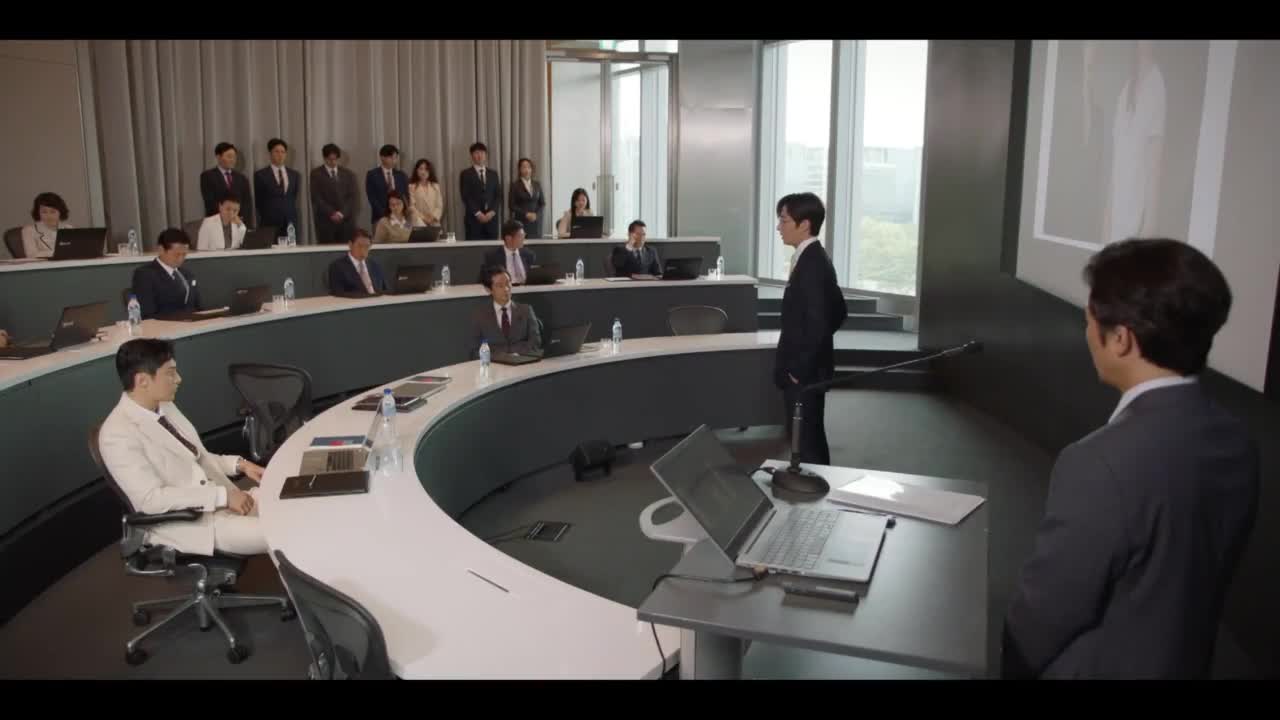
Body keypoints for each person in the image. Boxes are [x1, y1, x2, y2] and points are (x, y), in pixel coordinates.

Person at [1003, 238, 1258, 680]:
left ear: (1121, 339)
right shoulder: (1237, 441)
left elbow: (1047, 613)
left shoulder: (1098, 462)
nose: (1087, 335)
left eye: (1089, 321)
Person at [98, 338, 267, 556]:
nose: (178, 379)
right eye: (170, 373)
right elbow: (151, 500)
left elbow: (196, 456)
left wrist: (241, 465)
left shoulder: (164, 406)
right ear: (142, 381)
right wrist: (222, 497)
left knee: (292, 503)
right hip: (197, 524)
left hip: (224, 501)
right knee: (283, 532)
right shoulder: (117, 433)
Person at [772, 192, 848, 466]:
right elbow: (838, 312)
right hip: (807, 368)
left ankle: (818, 489)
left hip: (804, 373)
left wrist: (799, 369)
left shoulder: (813, 264)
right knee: (806, 437)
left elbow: (820, 321)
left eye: (784, 220)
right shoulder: (811, 257)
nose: (779, 227)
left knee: (808, 442)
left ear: (804, 224)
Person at [1103, 41, 1166, 244]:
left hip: (1137, 222)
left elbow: (1155, 163)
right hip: (1117, 220)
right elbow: (1117, 163)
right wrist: (1107, 220)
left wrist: (1149, 225)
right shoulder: (1125, 90)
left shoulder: (1157, 86)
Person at [471, 266, 542, 358]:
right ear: (489, 289)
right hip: (494, 364)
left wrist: (515, 355)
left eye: (508, 283)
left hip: (522, 361)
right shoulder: (480, 316)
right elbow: (475, 350)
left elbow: (535, 343)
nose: (506, 289)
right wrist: (502, 357)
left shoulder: (526, 310)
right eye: (500, 286)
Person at [131, 228, 201, 319]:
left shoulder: (187, 274)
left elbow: (198, 307)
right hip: (164, 325)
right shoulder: (145, 274)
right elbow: (148, 314)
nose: (181, 259)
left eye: (184, 255)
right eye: (176, 255)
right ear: (161, 250)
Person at [310, 143, 359, 245]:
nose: (333, 162)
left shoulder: (348, 174)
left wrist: (341, 214)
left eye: (335, 159)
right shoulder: (316, 174)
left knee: (346, 249)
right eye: (330, 159)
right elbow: (316, 198)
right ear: (324, 158)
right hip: (325, 221)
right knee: (327, 250)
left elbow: (352, 197)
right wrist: (332, 213)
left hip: (346, 221)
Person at [253, 138, 301, 237]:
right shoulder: (260, 175)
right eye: (277, 152)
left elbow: (293, 196)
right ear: (270, 153)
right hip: (269, 222)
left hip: (290, 221)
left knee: (291, 246)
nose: (280, 155)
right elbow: (258, 200)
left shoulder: (294, 175)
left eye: (283, 152)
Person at [200, 142, 254, 223]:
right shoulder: (207, 176)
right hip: (216, 222)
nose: (232, 160)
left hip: (238, 222)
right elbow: (209, 202)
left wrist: (241, 220)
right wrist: (229, 216)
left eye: (234, 157)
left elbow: (247, 204)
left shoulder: (242, 178)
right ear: (218, 157)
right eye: (229, 156)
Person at [327, 229, 387, 297]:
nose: (363, 250)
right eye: (360, 246)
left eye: (367, 246)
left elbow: (384, 290)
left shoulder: (375, 265)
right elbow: (338, 293)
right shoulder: (337, 267)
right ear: (350, 245)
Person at [459, 142, 500, 240]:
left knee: (492, 248)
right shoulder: (465, 174)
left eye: (482, 152)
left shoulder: (493, 174)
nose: (479, 155)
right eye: (476, 153)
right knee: (474, 248)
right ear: (471, 156)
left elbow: (498, 195)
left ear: (486, 155)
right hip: (473, 220)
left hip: (491, 221)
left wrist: (492, 212)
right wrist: (478, 213)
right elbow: (465, 196)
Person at [20, 192, 74, 259]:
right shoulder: (29, 230)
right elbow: (31, 255)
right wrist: (57, 252)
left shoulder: (69, 229)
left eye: (53, 211)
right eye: (44, 212)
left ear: (60, 212)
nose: (49, 216)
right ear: (38, 213)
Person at [366, 144, 409, 227]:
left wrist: (401, 214)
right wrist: (386, 215)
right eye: (392, 158)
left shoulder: (401, 175)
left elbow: (406, 196)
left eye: (396, 158)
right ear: (382, 157)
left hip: (401, 218)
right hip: (380, 218)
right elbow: (372, 198)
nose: (394, 160)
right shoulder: (372, 175)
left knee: (405, 235)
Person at [508, 157, 546, 239]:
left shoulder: (537, 184)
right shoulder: (515, 185)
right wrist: (526, 214)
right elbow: (512, 205)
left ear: (532, 169)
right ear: (519, 170)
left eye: (529, 167)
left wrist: (536, 214)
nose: (527, 170)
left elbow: (542, 203)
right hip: (521, 222)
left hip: (536, 223)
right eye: (524, 167)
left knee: (536, 244)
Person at [408, 158, 444, 229]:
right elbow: (412, 207)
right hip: (418, 221)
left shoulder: (435, 186)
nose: (423, 172)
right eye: (421, 169)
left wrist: (433, 217)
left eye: (426, 169)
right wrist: (424, 218)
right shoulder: (411, 187)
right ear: (416, 171)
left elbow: (439, 206)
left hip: (434, 221)